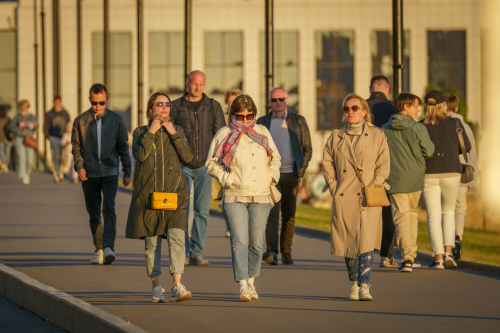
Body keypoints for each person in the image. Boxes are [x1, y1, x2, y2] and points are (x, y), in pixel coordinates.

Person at [206, 94, 281, 301]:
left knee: (257, 242)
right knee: (240, 240)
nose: (246, 119)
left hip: (261, 195)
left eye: (250, 115)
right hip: (235, 195)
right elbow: (211, 163)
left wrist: (271, 177)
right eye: (241, 115)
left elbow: (275, 158)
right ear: (233, 114)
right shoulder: (224, 133)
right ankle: (242, 285)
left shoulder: (262, 131)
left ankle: (251, 282)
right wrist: (228, 179)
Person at [126, 92, 194, 303]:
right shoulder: (140, 131)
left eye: (167, 104)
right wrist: (152, 132)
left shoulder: (178, 130)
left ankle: (177, 285)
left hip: (176, 193)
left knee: (176, 237)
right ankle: (156, 288)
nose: (165, 107)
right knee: (152, 243)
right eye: (159, 104)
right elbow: (140, 156)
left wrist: (173, 133)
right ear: (150, 109)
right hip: (150, 196)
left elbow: (188, 157)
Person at [322, 93, 390, 301]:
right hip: (345, 196)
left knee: (366, 242)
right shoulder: (335, 136)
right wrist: (334, 187)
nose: (350, 112)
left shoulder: (377, 135)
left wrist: (376, 184)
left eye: (354, 108)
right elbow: (327, 163)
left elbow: (383, 162)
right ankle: (353, 282)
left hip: (368, 195)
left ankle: (365, 285)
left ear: (364, 112)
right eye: (346, 109)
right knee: (349, 242)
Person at [170, 70, 226, 265]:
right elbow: (169, 135)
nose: (198, 88)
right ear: (187, 83)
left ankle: (196, 252)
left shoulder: (213, 106)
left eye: (201, 84)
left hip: (205, 166)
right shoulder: (176, 107)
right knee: (183, 210)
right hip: (182, 166)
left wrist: (217, 162)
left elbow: (221, 136)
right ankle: (183, 252)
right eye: (194, 84)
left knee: (202, 210)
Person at [71, 84, 132, 265]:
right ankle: (98, 249)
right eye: (95, 102)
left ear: (107, 100)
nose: (98, 106)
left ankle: (108, 248)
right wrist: (79, 166)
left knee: (109, 208)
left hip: (110, 171)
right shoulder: (80, 121)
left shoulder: (117, 119)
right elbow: (76, 147)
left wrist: (127, 171)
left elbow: (123, 147)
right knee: (94, 213)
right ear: (90, 100)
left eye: (102, 102)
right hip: (89, 173)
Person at [257, 87, 312, 265]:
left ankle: (287, 252)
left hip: (292, 175)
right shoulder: (262, 122)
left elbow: (307, 148)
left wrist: (301, 171)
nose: (278, 102)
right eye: (274, 100)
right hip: (271, 177)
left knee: (289, 215)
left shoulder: (298, 120)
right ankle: (272, 250)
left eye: (281, 99)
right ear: (270, 102)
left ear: (287, 100)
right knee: (271, 214)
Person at [382, 92, 435, 273]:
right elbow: (429, 151)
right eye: (415, 106)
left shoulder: (384, 129)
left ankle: (407, 258)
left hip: (395, 179)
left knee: (401, 218)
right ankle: (411, 255)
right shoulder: (418, 128)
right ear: (405, 107)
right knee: (411, 215)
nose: (418, 110)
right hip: (415, 178)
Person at [420, 90, 471, 270]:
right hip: (452, 170)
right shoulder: (455, 122)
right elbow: (467, 146)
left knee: (433, 216)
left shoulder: (420, 125)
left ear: (427, 105)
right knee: (449, 211)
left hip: (429, 171)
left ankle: (438, 258)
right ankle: (450, 252)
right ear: (443, 105)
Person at [366, 74, 398, 269]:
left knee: (365, 210)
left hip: (363, 166)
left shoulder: (359, 106)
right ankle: (386, 256)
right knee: (388, 212)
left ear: (370, 89)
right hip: (387, 165)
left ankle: (365, 251)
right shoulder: (394, 108)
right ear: (387, 89)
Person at [444, 92, 477, 261]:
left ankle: (446, 244)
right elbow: (472, 154)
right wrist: (472, 178)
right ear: (456, 107)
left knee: (444, 209)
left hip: (443, 172)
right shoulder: (465, 126)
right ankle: (457, 236)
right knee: (459, 208)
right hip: (462, 173)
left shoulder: (438, 123)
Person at [44, 96, 71, 183]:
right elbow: (45, 126)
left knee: (63, 157)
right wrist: (48, 137)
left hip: (63, 138)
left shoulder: (65, 113)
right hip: (54, 137)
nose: (57, 104)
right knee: (56, 157)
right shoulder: (50, 113)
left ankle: (61, 173)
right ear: (53, 102)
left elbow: (69, 124)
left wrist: (69, 135)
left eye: (58, 102)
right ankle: (56, 174)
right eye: (55, 102)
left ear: (60, 102)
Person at [10, 100, 37, 185]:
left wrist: (34, 125)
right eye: (26, 105)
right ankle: (23, 175)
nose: (27, 107)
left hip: (29, 139)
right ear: (21, 106)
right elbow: (11, 127)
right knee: (22, 158)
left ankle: (27, 173)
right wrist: (19, 126)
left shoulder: (32, 116)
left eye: (28, 105)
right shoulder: (17, 117)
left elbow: (37, 126)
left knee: (29, 159)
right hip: (19, 138)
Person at [0, 106, 13, 173]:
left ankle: (4, 164)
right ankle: (6, 165)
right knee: (7, 152)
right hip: (8, 138)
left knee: (1, 151)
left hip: (1, 138)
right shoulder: (8, 119)